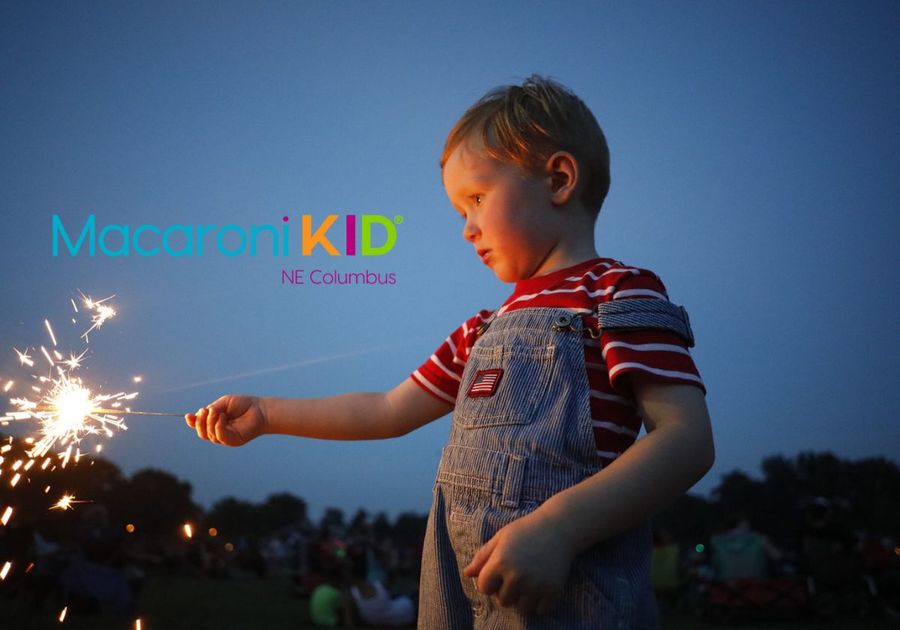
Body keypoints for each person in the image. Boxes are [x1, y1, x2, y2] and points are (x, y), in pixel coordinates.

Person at [186, 74, 715, 628]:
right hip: (458, 596)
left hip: (573, 597)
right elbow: (386, 410)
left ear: (558, 179)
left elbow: (686, 439)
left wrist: (560, 528)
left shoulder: (616, 293)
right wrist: (268, 414)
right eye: (460, 211)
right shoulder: (480, 332)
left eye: (478, 199)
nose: (467, 229)